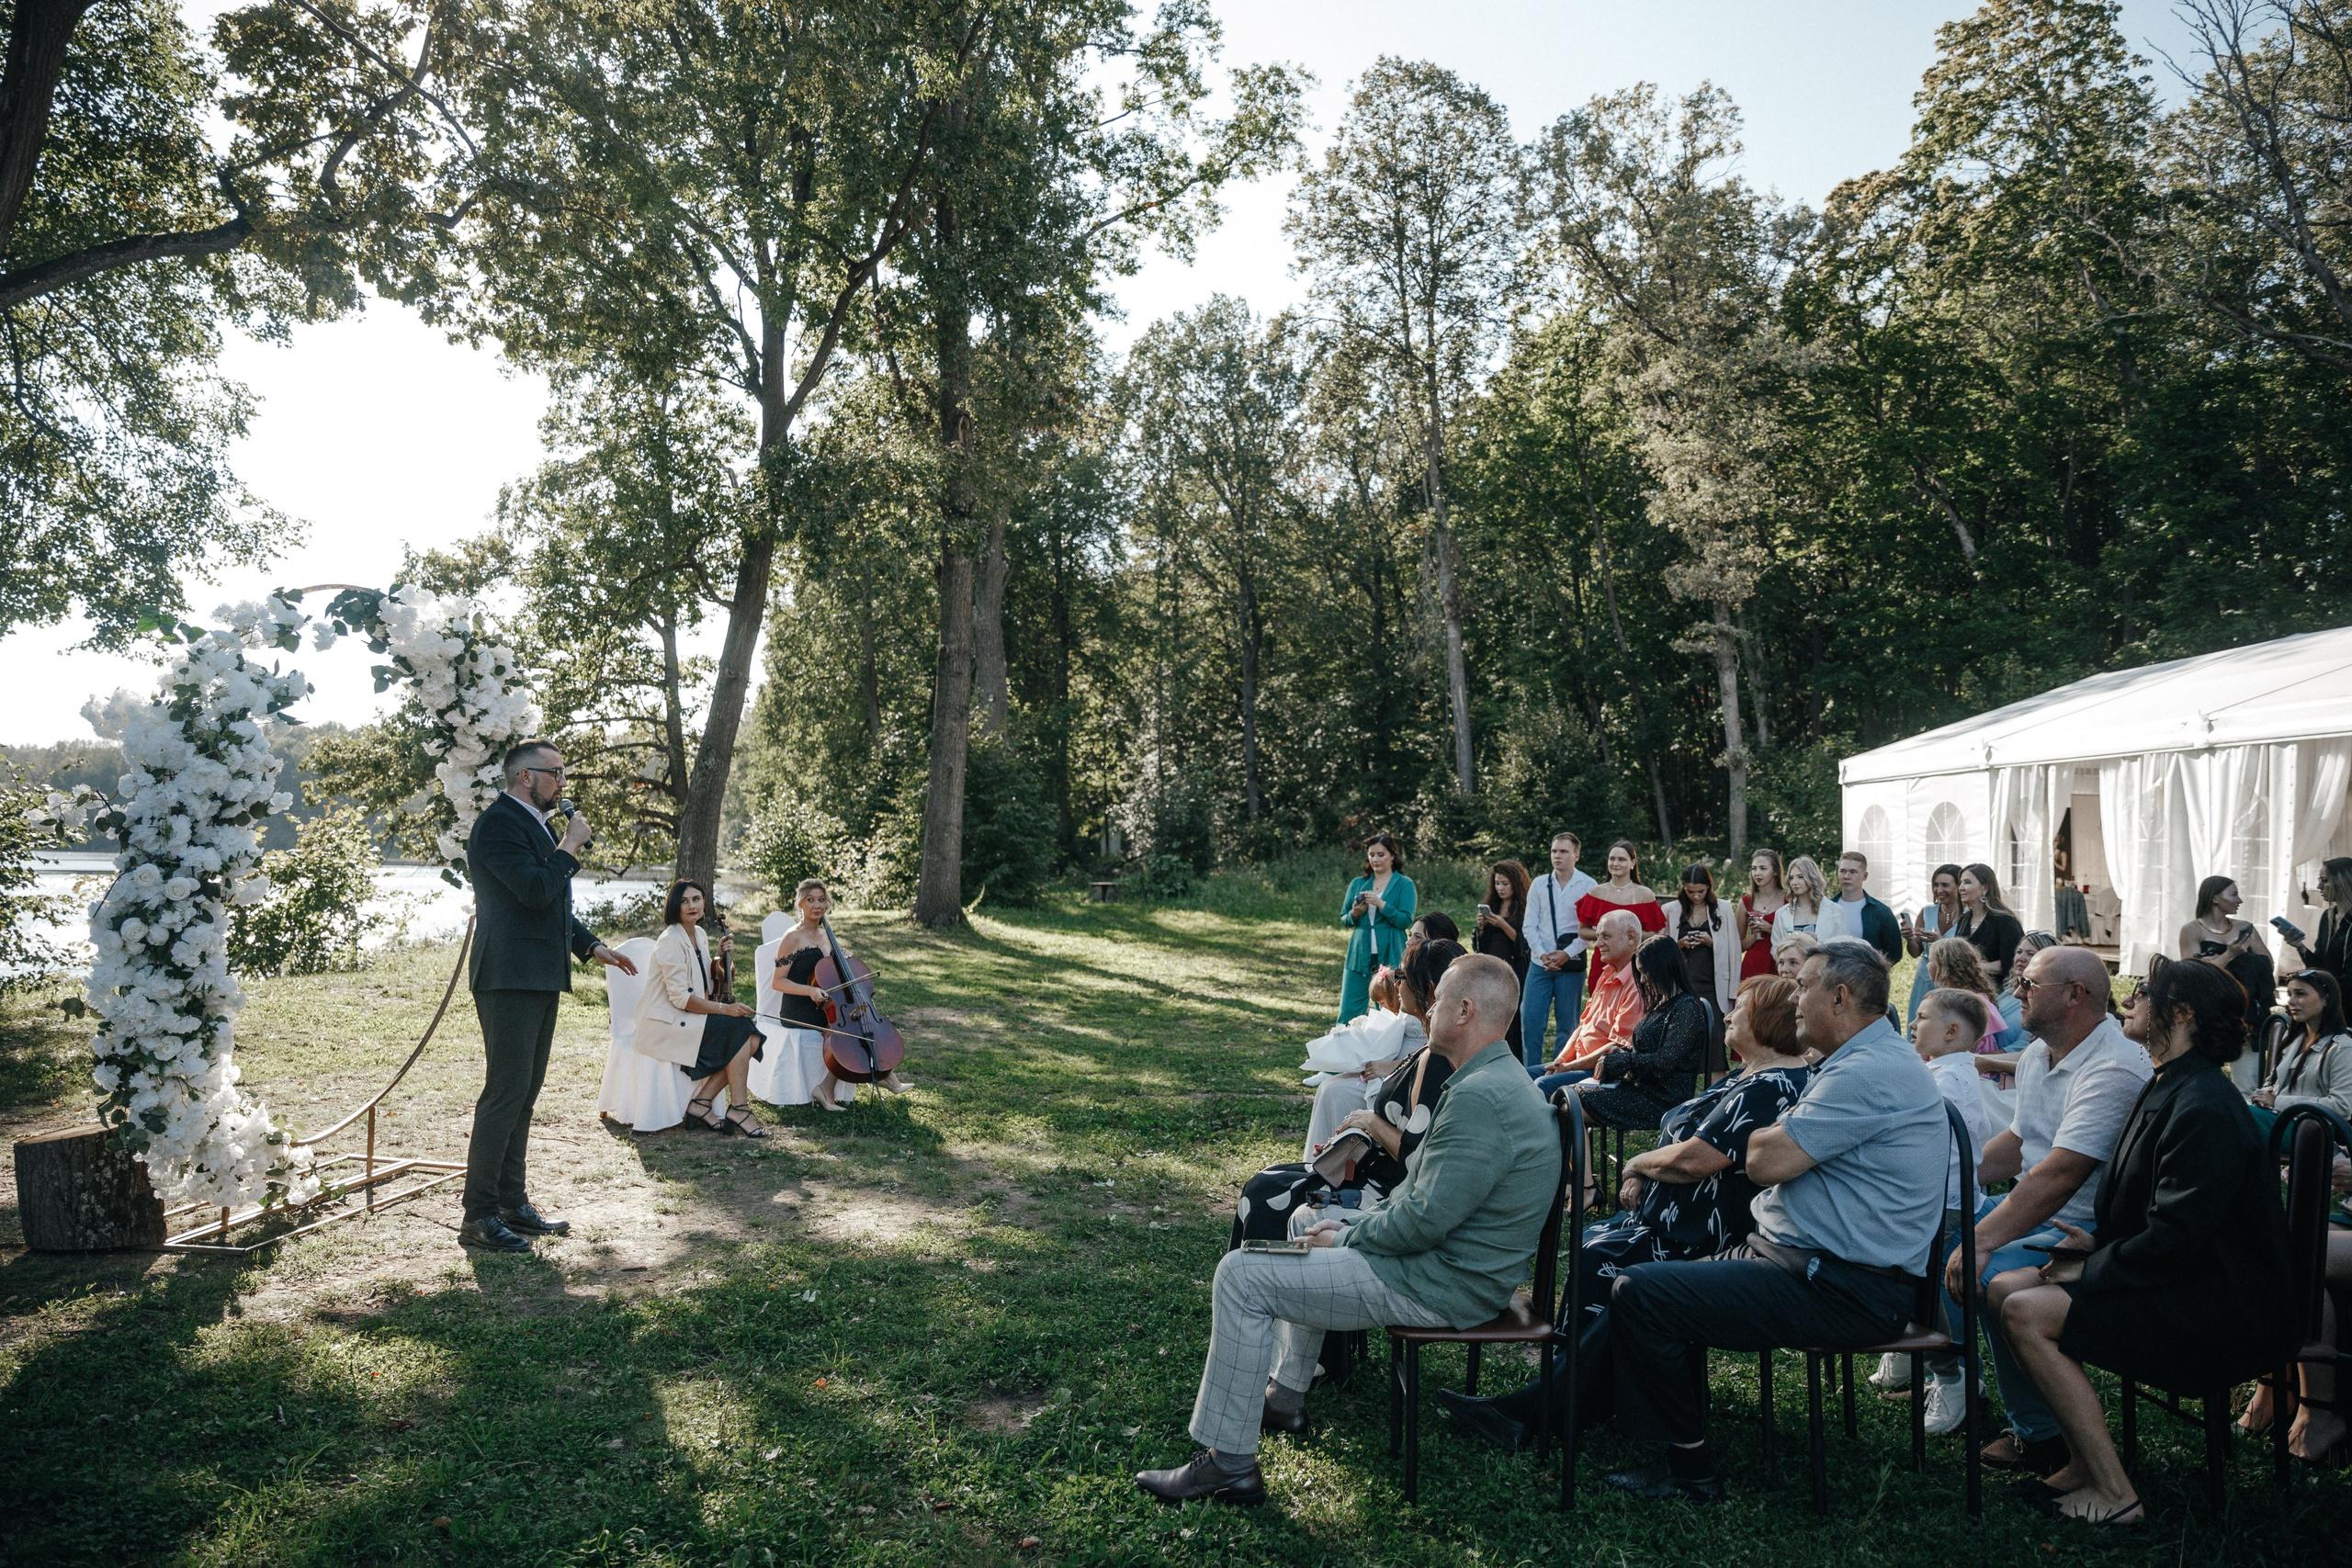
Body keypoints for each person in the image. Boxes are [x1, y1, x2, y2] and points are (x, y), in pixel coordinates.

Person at [1135, 955, 1560, 1506]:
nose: (1428, 1010)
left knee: (1240, 1276)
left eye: (1437, 1001)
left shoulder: (1482, 1097)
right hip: (1446, 1262)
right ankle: (1285, 1398)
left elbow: (1424, 1220)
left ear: (1465, 1010)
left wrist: (1351, 1235)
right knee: (1309, 1215)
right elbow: (1425, 1203)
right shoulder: (1493, 1079)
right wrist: (1345, 1223)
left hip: (1441, 1283)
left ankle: (1228, 1465)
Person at [1600, 940, 1948, 1502]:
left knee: (1642, 1293)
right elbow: (1766, 1151)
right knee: (1649, 1273)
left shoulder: (1866, 1071)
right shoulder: (1855, 1062)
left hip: (1839, 1286)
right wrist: (1778, 1131)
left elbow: (1763, 1162)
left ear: (1839, 997)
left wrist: (1773, 1135)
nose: (1794, 1003)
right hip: (1800, 1262)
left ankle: (1690, 1470)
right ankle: (1552, 1407)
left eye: (1804, 987)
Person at [1432, 976, 1813, 1454]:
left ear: (1767, 1022)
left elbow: (1698, 1158)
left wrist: (1635, 1164)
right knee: (1594, 1244)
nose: (1730, 1015)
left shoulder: (1773, 1084)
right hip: (1667, 1217)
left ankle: (1555, 1403)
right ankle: (1581, 1392)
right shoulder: (1749, 1076)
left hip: (1704, 1236)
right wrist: (1645, 1177)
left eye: (1743, 1008)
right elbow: (1684, 1142)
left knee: (1600, 1255)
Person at [1989, 957, 2297, 1526]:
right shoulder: (2170, 1082)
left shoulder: (2203, 1105)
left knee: (2025, 1312)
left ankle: (2114, 1494)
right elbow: (2158, 1219)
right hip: (2181, 1278)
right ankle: (2082, 1464)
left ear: (2180, 1016)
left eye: (2144, 994)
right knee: (2004, 1287)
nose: (2128, 1000)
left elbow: (2177, 1239)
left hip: (2220, 1308)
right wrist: (2095, 1242)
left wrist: (2093, 1266)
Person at [1940, 944, 2153, 1476]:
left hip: (2082, 1226)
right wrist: (1947, 1180)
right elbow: (2018, 1141)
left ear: (2075, 996)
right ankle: (1953, 1375)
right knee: (1932, 1227)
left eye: (2030, 984)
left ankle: (2042, 1434)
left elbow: (2060, 1174)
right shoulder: (2041, 1050)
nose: (2016, 993)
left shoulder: (2113, 1067)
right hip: (2042, 1207)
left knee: (1986, 1269)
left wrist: (1983, 1237)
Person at [458, 740, 639, 1253]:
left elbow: (549, 904)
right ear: (524, 778)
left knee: (525, 1093)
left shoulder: (531, 824)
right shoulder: (497, 825)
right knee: (503, 1094)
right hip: (508, 976)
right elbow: (535, 890)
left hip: (539, 973)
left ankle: (512, 1203)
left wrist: (592, 945)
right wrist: (569, 847)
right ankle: (478, 1215)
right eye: (555, 773)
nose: (563, 783)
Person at [1238, 939, 1467, 1245]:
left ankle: (1268, 1284)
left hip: (1386, 1189)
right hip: (1372, 1168)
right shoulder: (1431, 1049)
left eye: (1402, 975)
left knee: (1263, 1194)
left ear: (1426, 988)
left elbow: (1417, 1157)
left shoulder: (1437, 1061)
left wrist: (1369, 1122)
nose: (1395, 982)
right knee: (1269, 1180)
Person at [1873, 987, 1994, 1434]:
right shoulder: (1944, 1073)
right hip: (1934, 1201)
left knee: (1931, 1294)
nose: (1911, 1024)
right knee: (1915, 1285)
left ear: (1951, 1031)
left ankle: (1958, 1379)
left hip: (1937, 1207)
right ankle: (1915, 1359)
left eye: (1921, 1017)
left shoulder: (1946, 1082)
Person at [634, 878, 767, 1136]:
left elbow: (706, 981)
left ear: (704, 903)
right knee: (742, 1031)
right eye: (684, 901)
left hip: (688, 1015)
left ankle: (702, 1103)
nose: (691, 906)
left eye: (696, 899)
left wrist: (719, 956)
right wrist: (726, 1010)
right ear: (675, 905)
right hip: (667, 1022)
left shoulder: (699, 934)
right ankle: (737, 1108)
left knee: (749, 1036)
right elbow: (681, 999)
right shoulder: (670, 940)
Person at [1558, 933, 1710, 1137]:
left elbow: (1665, 1061)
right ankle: (1578, 1168)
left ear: (1664, 968)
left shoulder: (1686, 1008)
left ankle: (1579, 1169)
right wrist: (1619, 1052)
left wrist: (1624, 1060)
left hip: (1662, 1099)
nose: (1644, 980)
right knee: (1567, 1097)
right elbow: (1648, 1049)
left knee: (1569, 1105)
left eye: (1646, 972)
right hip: (1641, 1089)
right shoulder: (1663, 1004)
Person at [1531, 909, 1648, 1094]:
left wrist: (1568, 1068)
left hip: (1606, 1072)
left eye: (1606, 937)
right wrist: (1560, 1062)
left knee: (1542, 1086)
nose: (1598, 943)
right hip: (1578, 1064)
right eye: (1599, 936)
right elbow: (1583, 1028)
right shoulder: (1607, 973)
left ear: (1631, 937)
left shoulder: (1638, 983)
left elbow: (1617, 1048)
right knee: (1521, 1079)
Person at [2248, 968, 2352, 1134]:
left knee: (2240, 1117)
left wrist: (2277, 1101)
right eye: (2290, 994)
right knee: (2230, 1109)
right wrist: (2262, 1095)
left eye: (2300, 994)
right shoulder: (2292, 1040)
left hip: (2311, 1130)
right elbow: (2272, 1083)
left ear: (2326, 999)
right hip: (2277, 1118)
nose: (2292, 1001)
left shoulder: (2343, 1048)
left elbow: (2342, 1106)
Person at [2179, 874, 2276, 1043]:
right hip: (2211, 1008)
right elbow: (2193, 974)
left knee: (2248, 1067)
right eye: (2234, 894)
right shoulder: (2192, 930)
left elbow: (2268, 964)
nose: (2239, 900)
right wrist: (2231, 955)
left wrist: (2218, 960)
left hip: (2246, 1007)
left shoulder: (2244, 927)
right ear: (2215, 898)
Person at [1661, 863, 1738, 1071]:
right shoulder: (1671, 910)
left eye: (1700, 891)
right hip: (1682, 984)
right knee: (1681, 1039)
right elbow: (1661, 949)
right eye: (1690, 892)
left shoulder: (1723, 908)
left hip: (1712, 984)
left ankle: (1714, 1094)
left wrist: (1710, 942)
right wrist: (1679, 944)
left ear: (1709, 888)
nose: (1696, 896)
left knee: (1715, 1040)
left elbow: (1734, 949)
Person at [1336, 833, 1416, 1024]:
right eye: (1371, 855)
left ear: (1392, 856)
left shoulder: (1405, 884)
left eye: (1381, 854)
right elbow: (1344, 918)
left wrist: (1382, 905)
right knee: (1349, 1007)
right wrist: (1355, 913)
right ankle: (1344, 1046)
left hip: (1391, 949)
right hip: (1359, 952)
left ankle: (1389, 1049)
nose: (1375, 860)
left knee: (1390, 1004)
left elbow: (1405, 920)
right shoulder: (1358, 883)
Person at [1474, 860, 1532, 1059]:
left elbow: (1524, 944)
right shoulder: (1492, 905)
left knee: (1514, 1018)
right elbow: (1480, 946)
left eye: (1505, 883)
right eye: (1497, 883)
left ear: (1515, 883)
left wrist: (1502, 924)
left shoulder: (1525, 908)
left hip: (1515, 968)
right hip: (1492, 968)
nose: (1500, 888)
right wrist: (1481, 928)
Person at [1902, 863, 1966, 1023]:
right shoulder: (1927, 911)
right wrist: (1910, 938)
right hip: (1925, 977)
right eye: (1936, 885)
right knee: (1920, 1022)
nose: (1939, 890)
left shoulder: (1968, 915)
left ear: (1958, 887)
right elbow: (1915, 952)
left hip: (1953, 979)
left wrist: (1940, 942)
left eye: (1945, 885)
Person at [1815, 852, 1904, 964]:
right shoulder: (1825, 908)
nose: (1846, 876)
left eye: (1853, 872)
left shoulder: (1881, 912)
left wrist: (1875, 971)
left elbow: (1894, 953)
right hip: (1831, 974)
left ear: (1864, 876)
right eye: (1843, 871)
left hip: (1868, 976)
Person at [2281, 856, 2352, 990]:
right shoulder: (2328, 917)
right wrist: (2300, 947)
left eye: (2324, 881)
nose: (2319, 886)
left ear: (2343, 882)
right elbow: (2321, 966)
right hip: (2331, 996)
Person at [1955, 863, 2025, 984]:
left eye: (1967, 882)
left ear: (1985, 888)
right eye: (1960, 882)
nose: (1961, 887)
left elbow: (2012, 963)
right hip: (1967, 991)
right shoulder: (1964, 920)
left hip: (1998, 993)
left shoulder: (2005, 921)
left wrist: (1972, 966)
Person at [1736, 848, 1789, 984]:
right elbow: (1738, 946)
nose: (1757, 873)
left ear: (1776, 871)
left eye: (1763, 868)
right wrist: (1755, 936)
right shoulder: (1746, 902)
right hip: (1753, 965)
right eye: (1754, 868)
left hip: (1779, 964)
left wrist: (1771, 929)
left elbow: (1798, 938)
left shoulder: (1789, 899)